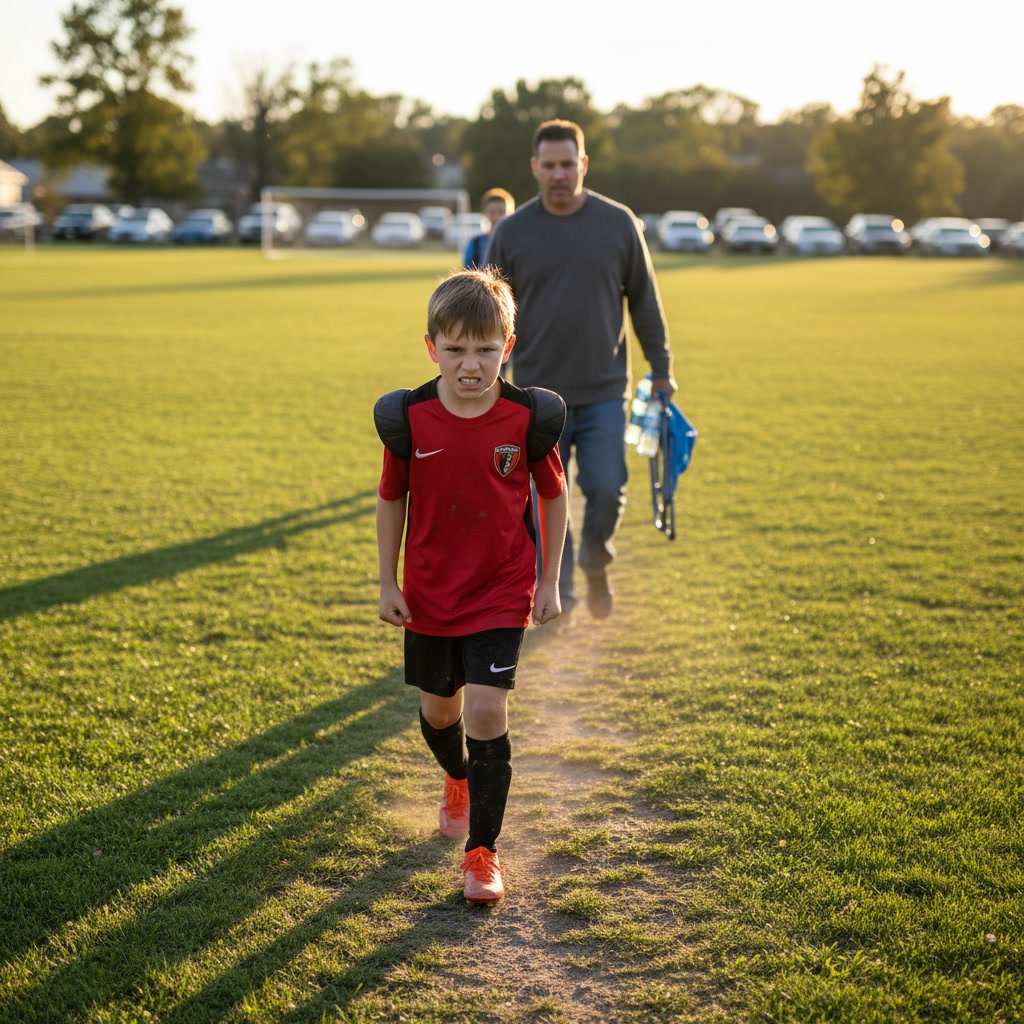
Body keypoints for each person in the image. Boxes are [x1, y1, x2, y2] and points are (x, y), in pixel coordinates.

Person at [374, 267, 568, 905]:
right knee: (440, 713)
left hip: (501, 588)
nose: (470, 364)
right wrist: (386, 582)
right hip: (429, 591)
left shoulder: (527, 417)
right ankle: (457, 779)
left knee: (486, 710)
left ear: (507, 346)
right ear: (431, 346)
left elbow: (554, 495)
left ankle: (482, 854)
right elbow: (390, 501)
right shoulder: (407, 417)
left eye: (486, 349)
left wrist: (548, 580)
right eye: (455, 349)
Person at [486, 120, 676, 621]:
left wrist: (662, 368)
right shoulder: (511, 232)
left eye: (568, 164)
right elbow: (489, 316)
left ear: (583, 165)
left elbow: (646, 303)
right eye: (548, 166)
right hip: (536, 397)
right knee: (546, 500)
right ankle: (560, 596)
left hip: (603, 390)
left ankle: (595, 558)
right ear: (534, 169)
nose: (559, 174)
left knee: (608, 488)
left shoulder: (618, 223)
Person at [462, 188, 515, 269]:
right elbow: (466, 272)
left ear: (511, 212)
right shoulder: (475, 243)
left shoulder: (517, 241)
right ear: (484, 213)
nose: (497, 217)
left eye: (502, 211)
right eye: (492, 212)